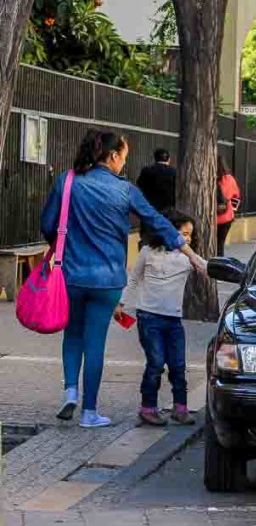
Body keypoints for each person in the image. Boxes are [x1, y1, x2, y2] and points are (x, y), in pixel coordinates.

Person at [41, 131, 206, 428]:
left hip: (72, 275)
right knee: (95, 343)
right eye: (124, 157)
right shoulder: (125, 190)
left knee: (73, 334)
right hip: (107, 281)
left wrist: (69, 242)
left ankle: (70, 393)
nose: (124, 163)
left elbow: (48, 225)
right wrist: (192, 256)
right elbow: (157, 221)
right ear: (113, 155)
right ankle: (90, 413)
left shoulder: (67, 182)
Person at [119, 210, 206, 427]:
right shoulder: (148, 252)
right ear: (167, 231)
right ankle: (147, 408)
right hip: (148, 318)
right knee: (156, 363)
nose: (186, 238)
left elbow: (207, 268)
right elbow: (134, 279)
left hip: (173, 320)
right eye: (182, 233)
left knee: (178, 365)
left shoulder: (188, 258)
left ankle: (181, 408)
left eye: (189, 235)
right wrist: (121, 304)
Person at [216, 156, 241, 257]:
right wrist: (232, 210)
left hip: (212, 218)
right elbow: (237, 197)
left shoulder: (207, 179)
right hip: (227, 217)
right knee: (220, 244)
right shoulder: (229, 179)